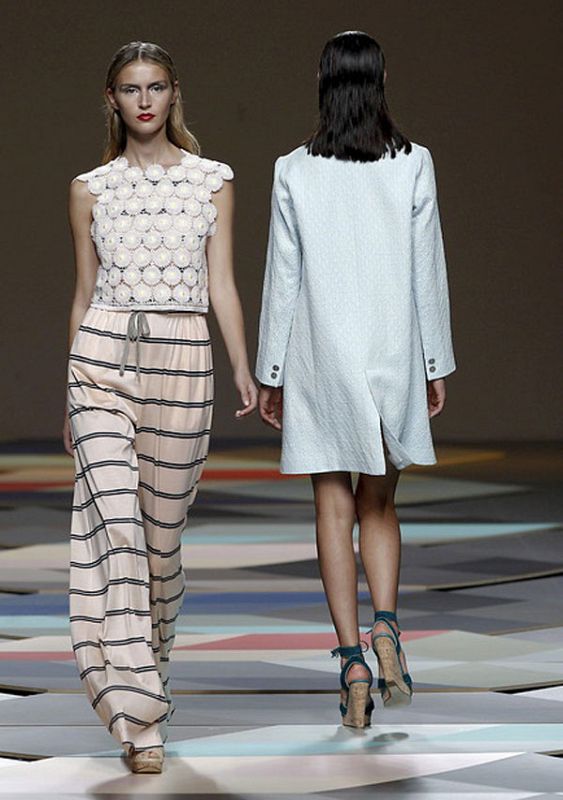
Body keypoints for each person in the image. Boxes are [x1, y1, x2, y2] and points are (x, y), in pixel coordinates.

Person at [64, 41, 257, 772]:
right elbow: (83, 293)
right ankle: (138, 720)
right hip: (102, 357)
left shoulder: (213, 182)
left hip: (183, 360)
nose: (143, 101)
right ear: (110, 99)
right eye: (129, 88)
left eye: (155, 87)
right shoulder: (89, 188)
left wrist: (241, 365)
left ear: (174, 94)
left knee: (159, 545)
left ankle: (149, 675)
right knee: (117, 531)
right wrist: (66, 393)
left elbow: (222, 283)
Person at [256, 31, 456, 729]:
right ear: (380, 83)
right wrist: (434, 362)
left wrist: (271, 372)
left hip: (320, 356)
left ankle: (350, 664)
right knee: (379, 505)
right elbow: (426, 268)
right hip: (392, 352)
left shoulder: (293, 170)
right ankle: (387, 629)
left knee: (331, 508)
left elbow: (283, 276)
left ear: (323, 83)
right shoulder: (413, 163)